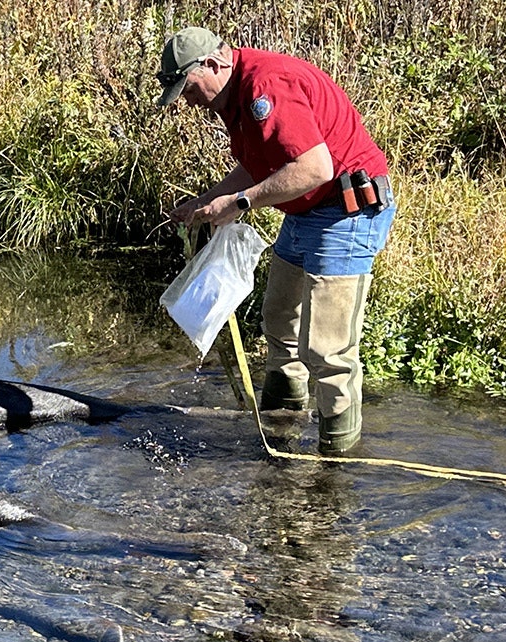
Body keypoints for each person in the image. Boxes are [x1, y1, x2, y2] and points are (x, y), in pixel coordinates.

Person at [155, 27, 395, 456]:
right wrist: (207, 201)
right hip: (306, 211)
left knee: (327, 347)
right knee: (280, 319)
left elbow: (315, 168)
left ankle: (336, 461)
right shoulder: (233, 96)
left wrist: (241, 204)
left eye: (188, 89)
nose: (188, 102)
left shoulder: (267, 86)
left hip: (345, 209)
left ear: (213, 64)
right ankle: (279, 433)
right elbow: (261, 165)